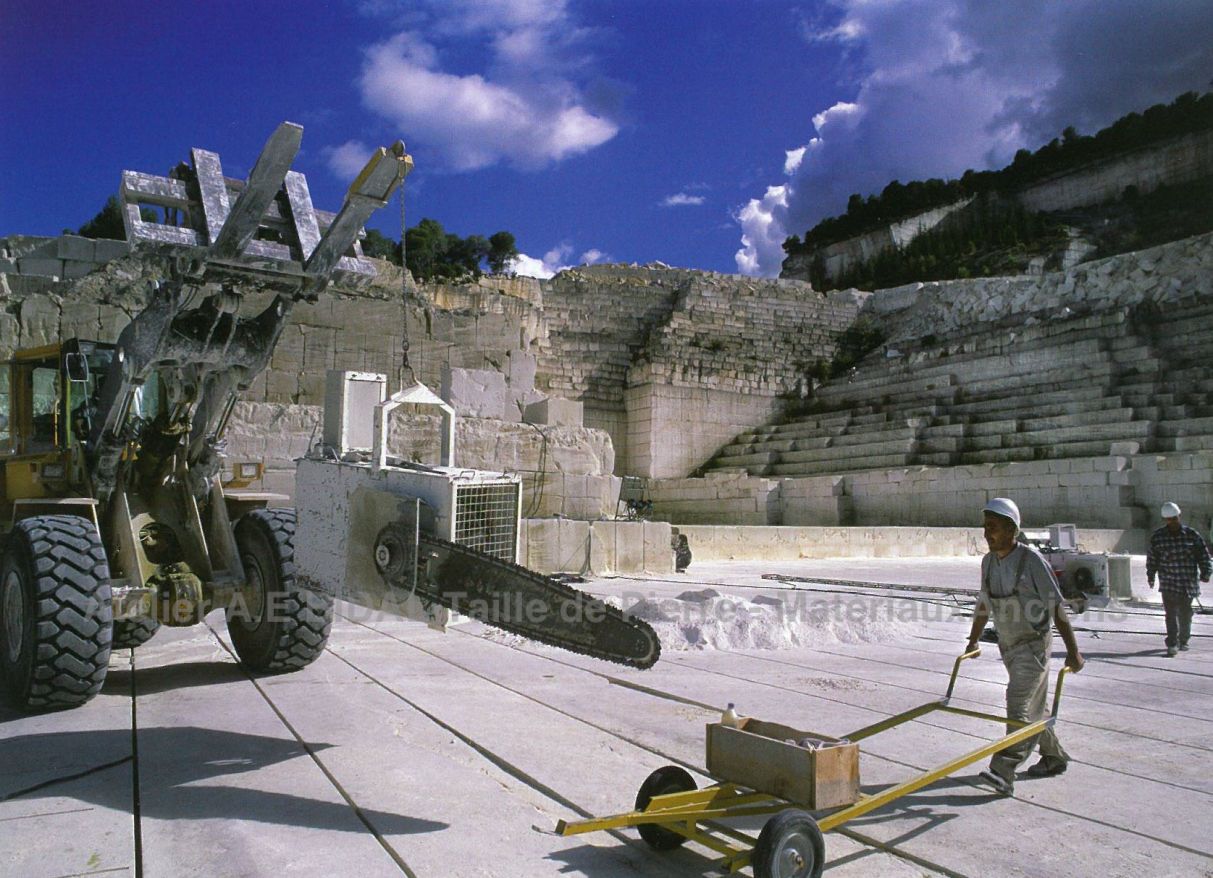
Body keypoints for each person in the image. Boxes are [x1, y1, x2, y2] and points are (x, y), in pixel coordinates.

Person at [965, 498, 1085, 796]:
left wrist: (1073, 652)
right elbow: (984, 605)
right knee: (1035, 707)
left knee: (1018, 705)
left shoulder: (1031, 561)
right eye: (985, 527)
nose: (987, 533)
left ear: (1011, 529)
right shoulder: (989, 562)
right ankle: (1054, 757)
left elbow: (1056, 608)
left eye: (993, 527)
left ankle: (1003, 770)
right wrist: (973, 639)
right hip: (1008, 646)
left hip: (1033, 646)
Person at [1146, 501, 1211, 657]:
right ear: (1165, 520)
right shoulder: (1158, 537)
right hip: (1168, 583)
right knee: (1170, 614)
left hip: (1187, 584)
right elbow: (1152, 558)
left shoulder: (1191, 535)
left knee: (1185, 614)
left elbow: (1203, 555)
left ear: (1179, 516)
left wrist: (1206, 572)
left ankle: (1183, 640)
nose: (1173, 522)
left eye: (1174, 518)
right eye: (1169, 519)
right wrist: (1151, 575)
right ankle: (1172, 643)